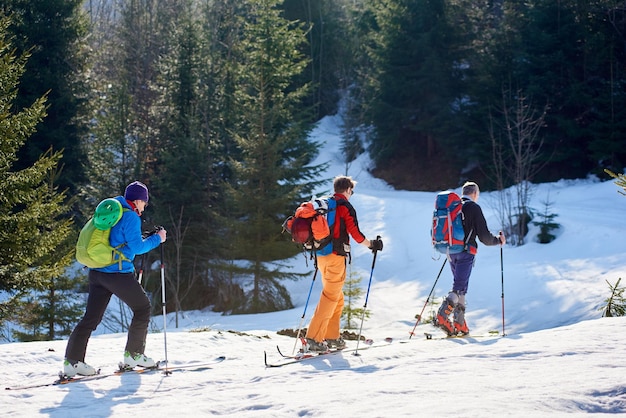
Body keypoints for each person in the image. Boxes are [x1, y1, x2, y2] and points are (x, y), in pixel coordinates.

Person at [63, 181, 167, 376]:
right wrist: (157, 238)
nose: (144, 206)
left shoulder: (112, 211)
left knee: (91, 318)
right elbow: (137, 248)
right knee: (142, 308)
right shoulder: (131, 217)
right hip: (117, 274)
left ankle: (73, 361)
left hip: (97, 273)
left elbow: (119, 241)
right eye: (144, 202)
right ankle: (134, 355)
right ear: (137, 200)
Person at [304, 175, 383, 352]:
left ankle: (332, 337)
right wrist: (372, 244)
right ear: (347, 189)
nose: (351, 194)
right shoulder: (345, 206)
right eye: (352, 191)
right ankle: (314, 338)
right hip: (335, 256)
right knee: (331, 296)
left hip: (321, 256)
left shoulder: (326, 204)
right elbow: (356, 234)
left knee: (337, 298)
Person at [435, 181, 505, 336]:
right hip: (466, 252)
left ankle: (459, 323)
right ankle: (442, 316)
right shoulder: (473, 207)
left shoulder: (453, 207)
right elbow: (485, 237)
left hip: (451, 251)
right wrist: (498, 241)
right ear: (475, 194)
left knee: (461, 286)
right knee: (459, 286)